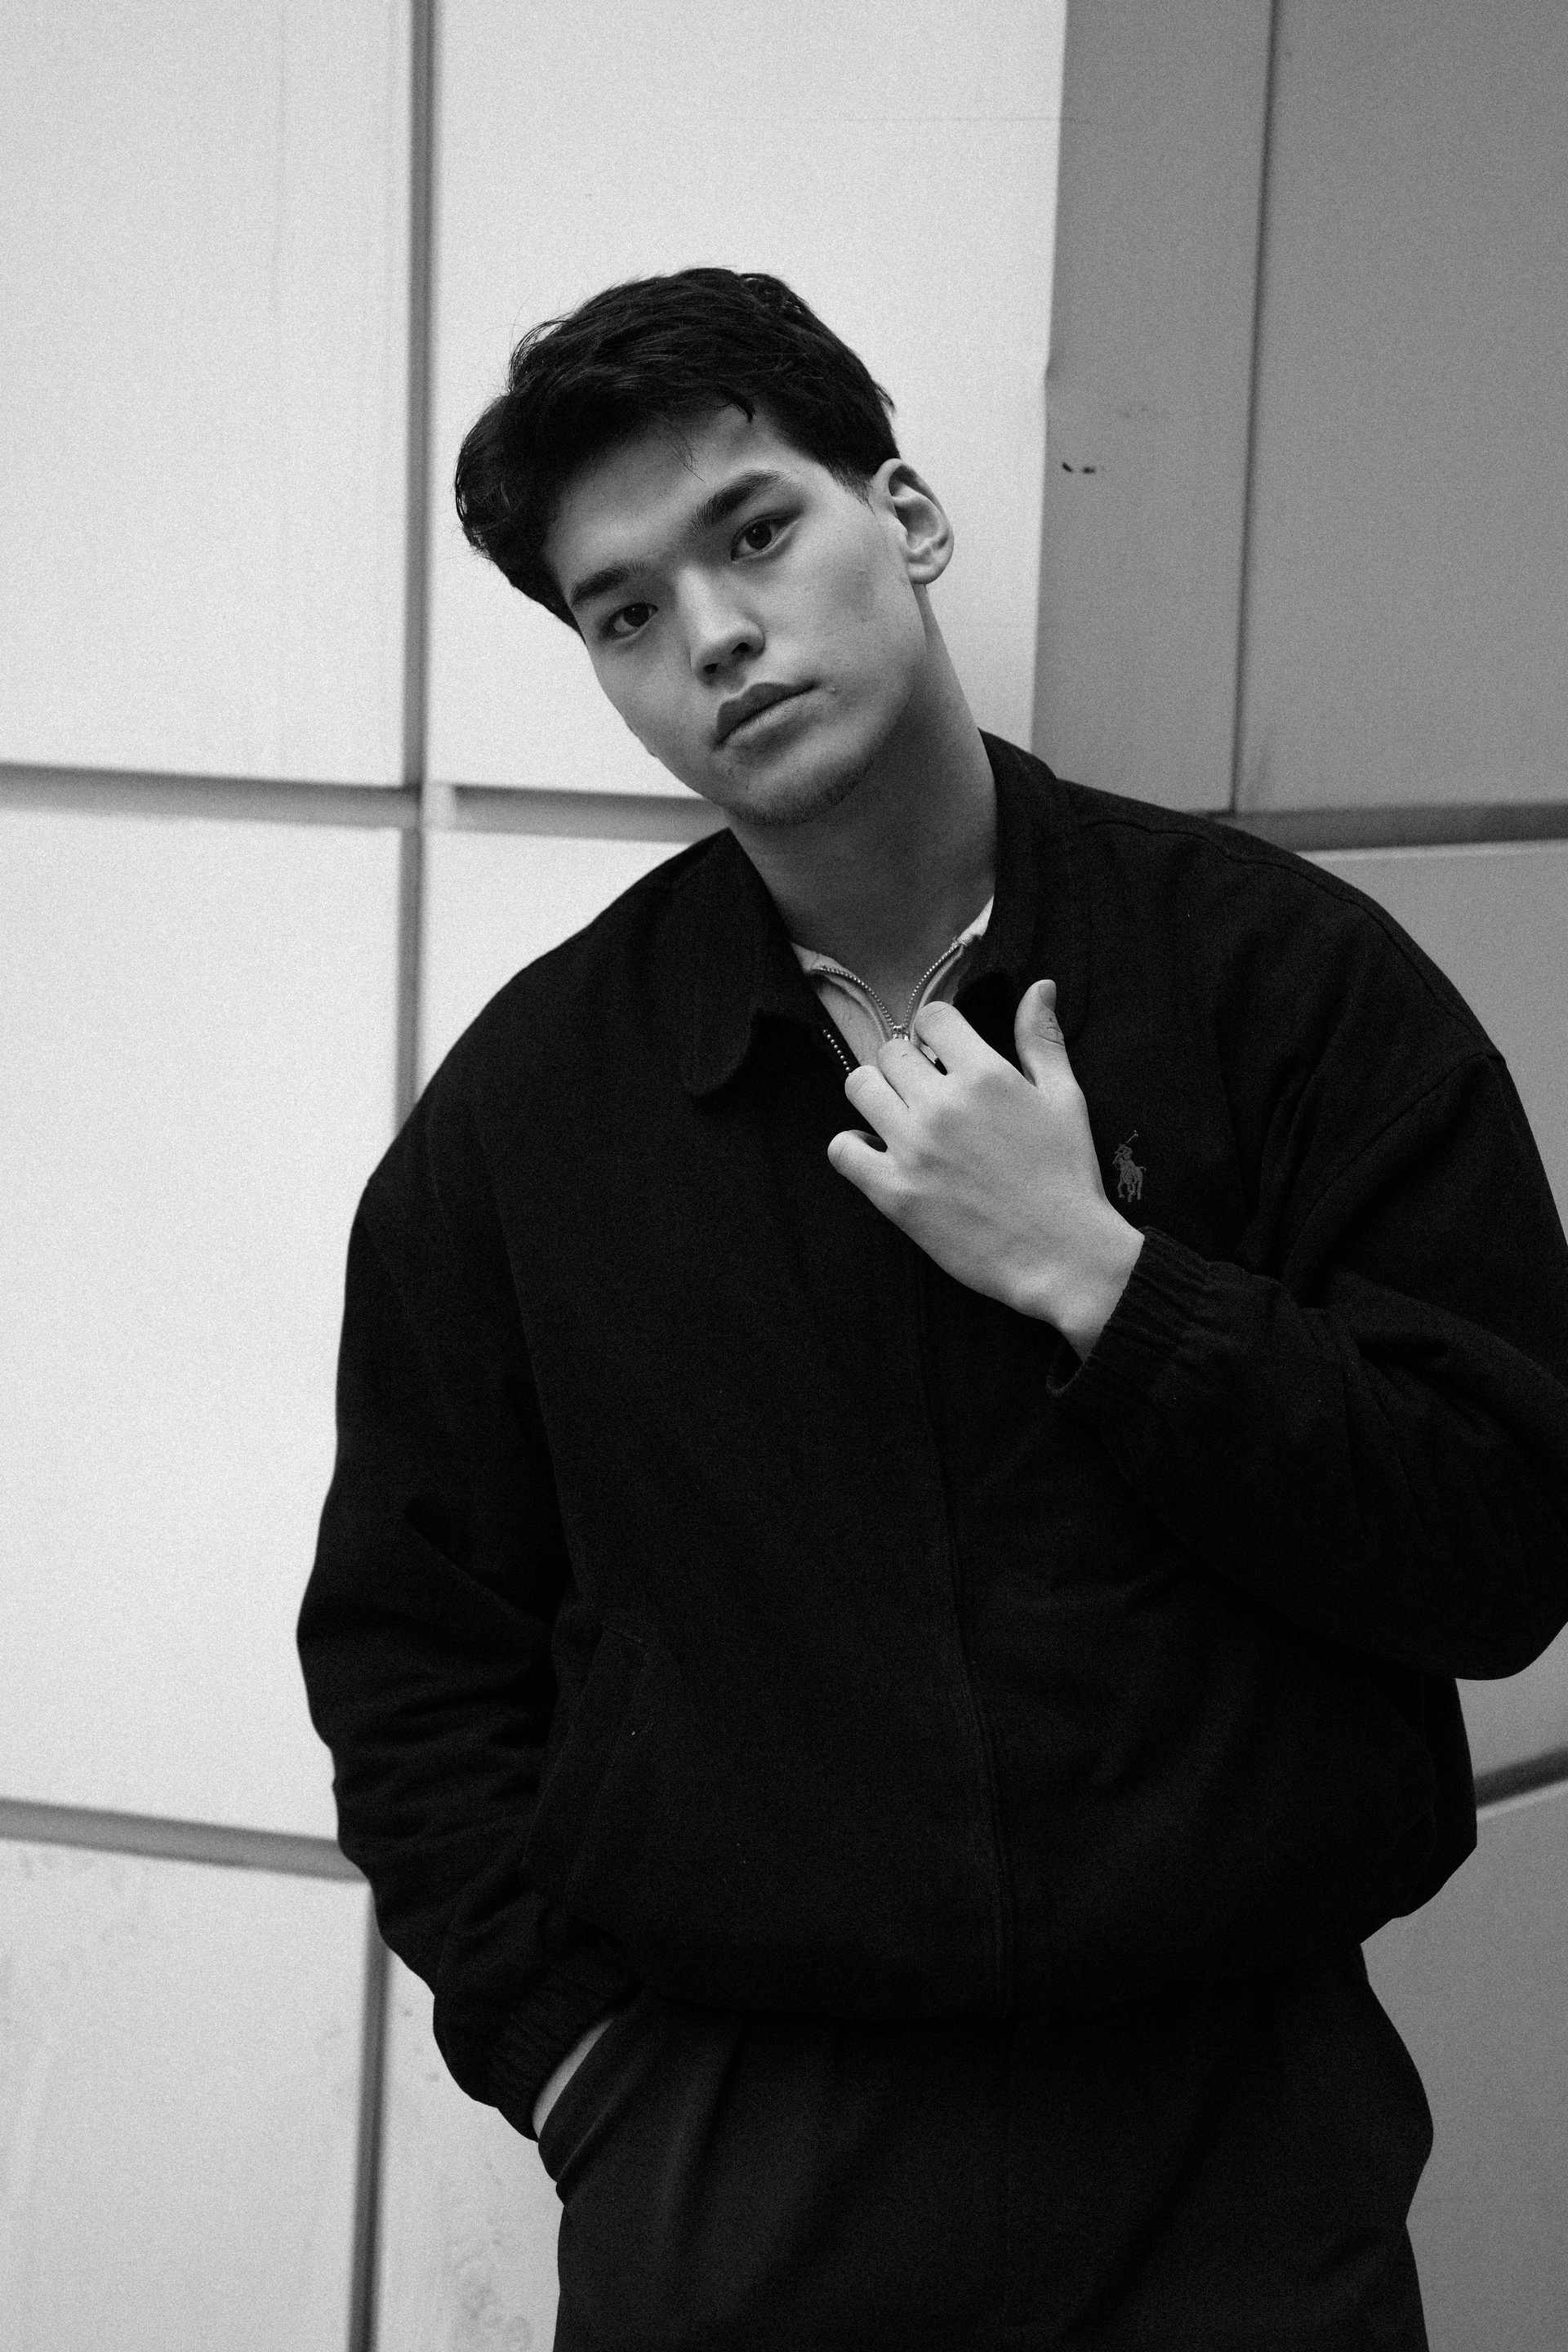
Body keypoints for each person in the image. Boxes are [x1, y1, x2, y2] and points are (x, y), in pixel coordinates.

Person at [296, 268, 1568, 2350]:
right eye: (626, 614)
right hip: (745, 2170)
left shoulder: (1282, 985)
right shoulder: (539, 1110)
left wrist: (1111, 1285)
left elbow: (1506, 1537)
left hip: (1236, 2148)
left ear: (906, 514)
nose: (714, 633)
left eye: (755, 531)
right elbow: (410, 1652)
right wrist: (587, 2073)